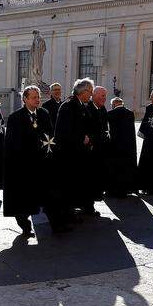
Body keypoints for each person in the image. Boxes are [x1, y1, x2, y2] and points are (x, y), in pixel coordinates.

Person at [3, 85, 67, 236]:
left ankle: (57, 226)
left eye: (38, 97)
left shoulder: (44, 114)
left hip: (43, 164)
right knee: (24, 200)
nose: (37, 100)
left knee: (50, 196)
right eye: (33, 97)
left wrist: (52, 154)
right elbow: (12, 144)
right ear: (24, 99)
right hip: (24, 166)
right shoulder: (15, 118)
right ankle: (25, 226)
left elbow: (50, 136)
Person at [54, 78, 94, 219]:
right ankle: (67, 213)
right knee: (69, 183)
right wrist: (82, 138)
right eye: (90, 91)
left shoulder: (80, 104)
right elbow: (65, 131)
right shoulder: (69, 105)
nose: (91, 94)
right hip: (69, 153)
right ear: (82, 91)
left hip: (79, 152)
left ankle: (77, 208)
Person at [106, 97, 137, 197]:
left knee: (116, 167)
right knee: (126, 167)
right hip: (129, 146)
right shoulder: (130, 113)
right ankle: (127, 188)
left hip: (115, 146)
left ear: (113, 104)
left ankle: (115, 189)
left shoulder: (110, 114)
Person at [85, 86, 110, 207]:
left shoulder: (103, 108)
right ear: (93, 95)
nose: (104, 98)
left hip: (100, 150)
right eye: (102, 95)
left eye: (105, 96)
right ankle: (87, 205)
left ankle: (92, 203)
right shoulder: (87, 108)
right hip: (90, 151)